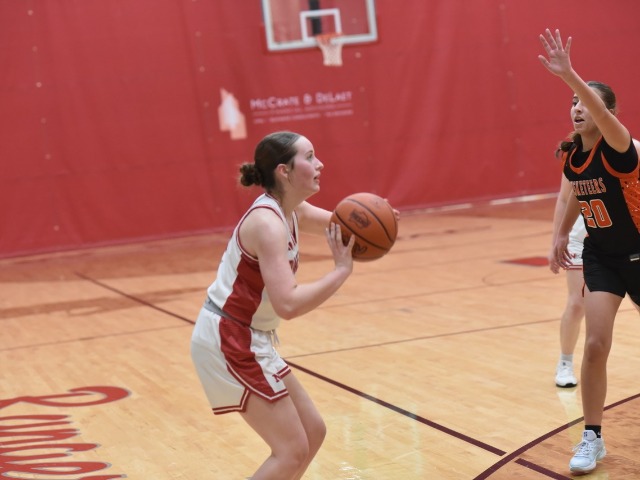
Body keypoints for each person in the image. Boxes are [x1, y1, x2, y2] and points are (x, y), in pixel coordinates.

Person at [190, 131, 357, 480]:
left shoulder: (292, 211)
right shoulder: (267, 224)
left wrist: (380, 219)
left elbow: (346, 227)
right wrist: (340, 271)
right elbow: (288, 304)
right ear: (284, 171)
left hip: (249, 336)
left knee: (312, 432)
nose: (320, 164)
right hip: (230, 338)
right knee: (291, 450)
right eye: (309, 157)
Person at [539, 29, 640, 474]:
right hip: (603, 257)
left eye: (585, 102)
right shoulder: (573, 155)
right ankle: (592, 437)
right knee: (596, 345)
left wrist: (570, 74)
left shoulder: (620, 148)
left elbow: (598, 109)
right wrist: (560, 235)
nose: (577, 108)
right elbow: (579, 195)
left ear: (607, 113)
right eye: (572, 102)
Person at [548, 176, 586, 388]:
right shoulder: (575, 159)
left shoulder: (630, 157)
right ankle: (565, 362)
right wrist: (556, 242)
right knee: (577, 304)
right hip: (580, 239)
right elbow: (564, 199)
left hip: (621, 239)